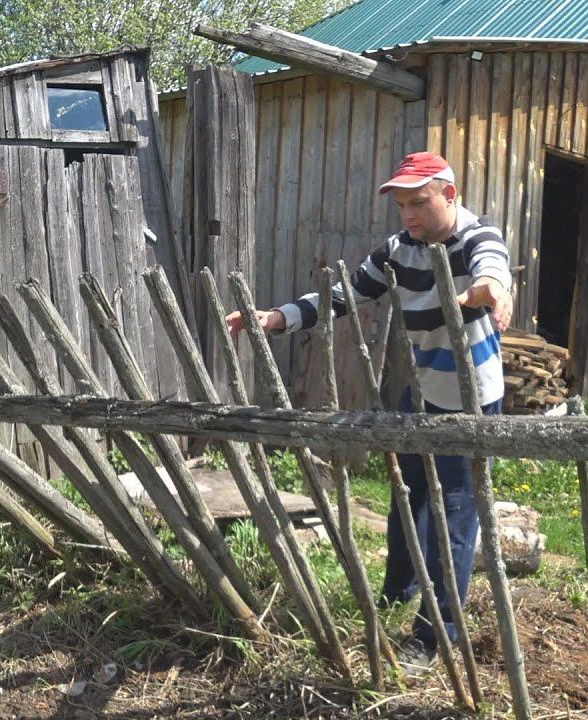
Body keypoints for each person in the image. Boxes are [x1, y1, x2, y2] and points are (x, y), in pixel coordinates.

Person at [225, 151, 512, 674]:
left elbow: (492, 267)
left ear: (450, 195)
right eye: (402, 205)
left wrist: (492, 289)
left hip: (470, 397)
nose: (409, 214)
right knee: (408, 495)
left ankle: (435, 634)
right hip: (421, 390)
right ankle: (399, 590)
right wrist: (278, 318)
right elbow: (344, 295)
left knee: (453, 514)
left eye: (418, 202)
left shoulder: (476, 236)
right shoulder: (399, 250)